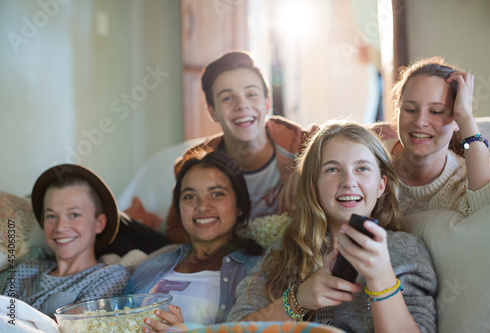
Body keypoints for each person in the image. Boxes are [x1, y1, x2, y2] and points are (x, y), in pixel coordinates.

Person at [227, 121, 437, 332]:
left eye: (362, 168)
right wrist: (298, 299)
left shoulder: (405, 249)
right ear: (313, 185)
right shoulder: (283, 250)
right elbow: (234, 329)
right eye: (332, 169)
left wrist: (381, 277)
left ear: (381, 186)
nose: (348, 181)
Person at [162, 51, 318, 243]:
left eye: (251, 94)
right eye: (227, 98)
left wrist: (310, 167)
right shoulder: (196, 165)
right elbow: (176, 230)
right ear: (213, 112)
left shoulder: (305, 144)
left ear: (267, 103)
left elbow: (359, 136)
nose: (242, 105)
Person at [124, 151, 263, 330]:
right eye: (189, 196)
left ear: (240, 206)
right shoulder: (150, 266)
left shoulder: (259, 272)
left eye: (216, 194)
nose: (202, 206)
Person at [1, 164, 129, 317]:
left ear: (99, 223)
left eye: (74, 215)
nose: (60, 227)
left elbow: (73, 324)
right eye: (51, 216)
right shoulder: (24, 270)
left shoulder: (109, 276)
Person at [386, 57, 490, 217]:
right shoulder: (374, 161)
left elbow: (489, 215)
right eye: (410, 109)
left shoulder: (466, 180)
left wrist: (466, 117)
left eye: (436, 112)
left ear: (456, 120)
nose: (420, 122)